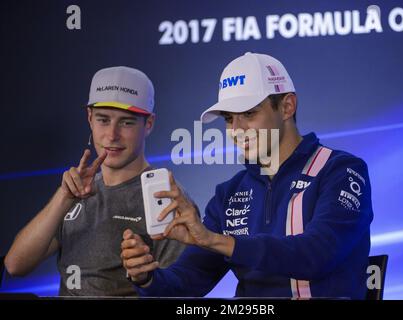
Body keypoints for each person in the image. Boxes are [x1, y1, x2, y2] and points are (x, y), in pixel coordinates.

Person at [120, 53, 374, 299]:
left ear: (287, 106)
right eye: (229, 119)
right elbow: (188, 280)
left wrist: (217, 241)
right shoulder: (228, 193)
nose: (237, 130)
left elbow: (318, 254)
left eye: (249, 114)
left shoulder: (340, 170)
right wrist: (147, 277)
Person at [5, 66, 186, 296]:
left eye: (127, 122)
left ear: (148, 124)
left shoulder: (167, 196)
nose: (112, 135)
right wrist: (63, 197)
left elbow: (183, 293)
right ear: (89, 117)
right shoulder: (75, 191)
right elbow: (15, 265)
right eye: (103, 119)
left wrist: (146, 275)